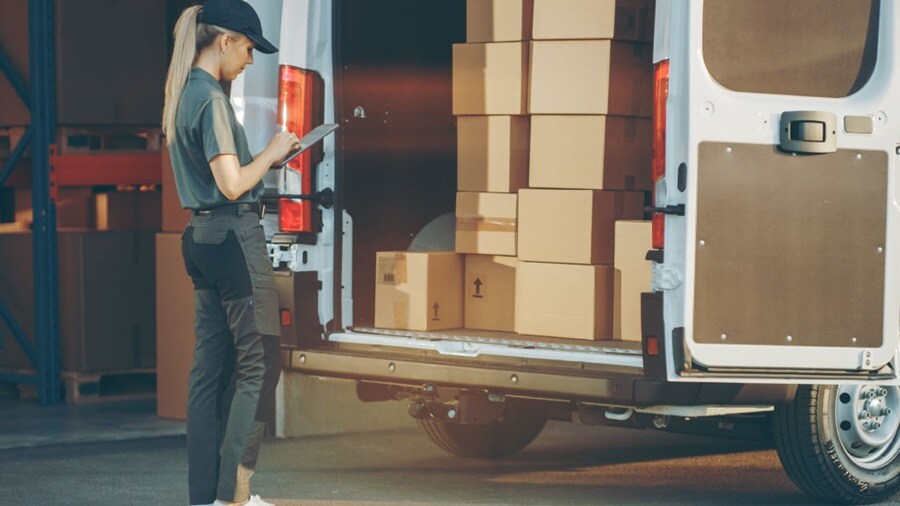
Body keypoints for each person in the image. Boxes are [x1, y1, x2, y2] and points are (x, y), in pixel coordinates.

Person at [162, 1, 298, 505]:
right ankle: (235, 494)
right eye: (247, 47)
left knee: (209, 372)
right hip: (233, 240)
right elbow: (232, 182)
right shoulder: (212, 100)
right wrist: (273, 153)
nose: (250, 59)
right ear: (223, 41)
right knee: (260, 360)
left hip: (200, 240)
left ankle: (206, 499)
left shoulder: (183, 93)